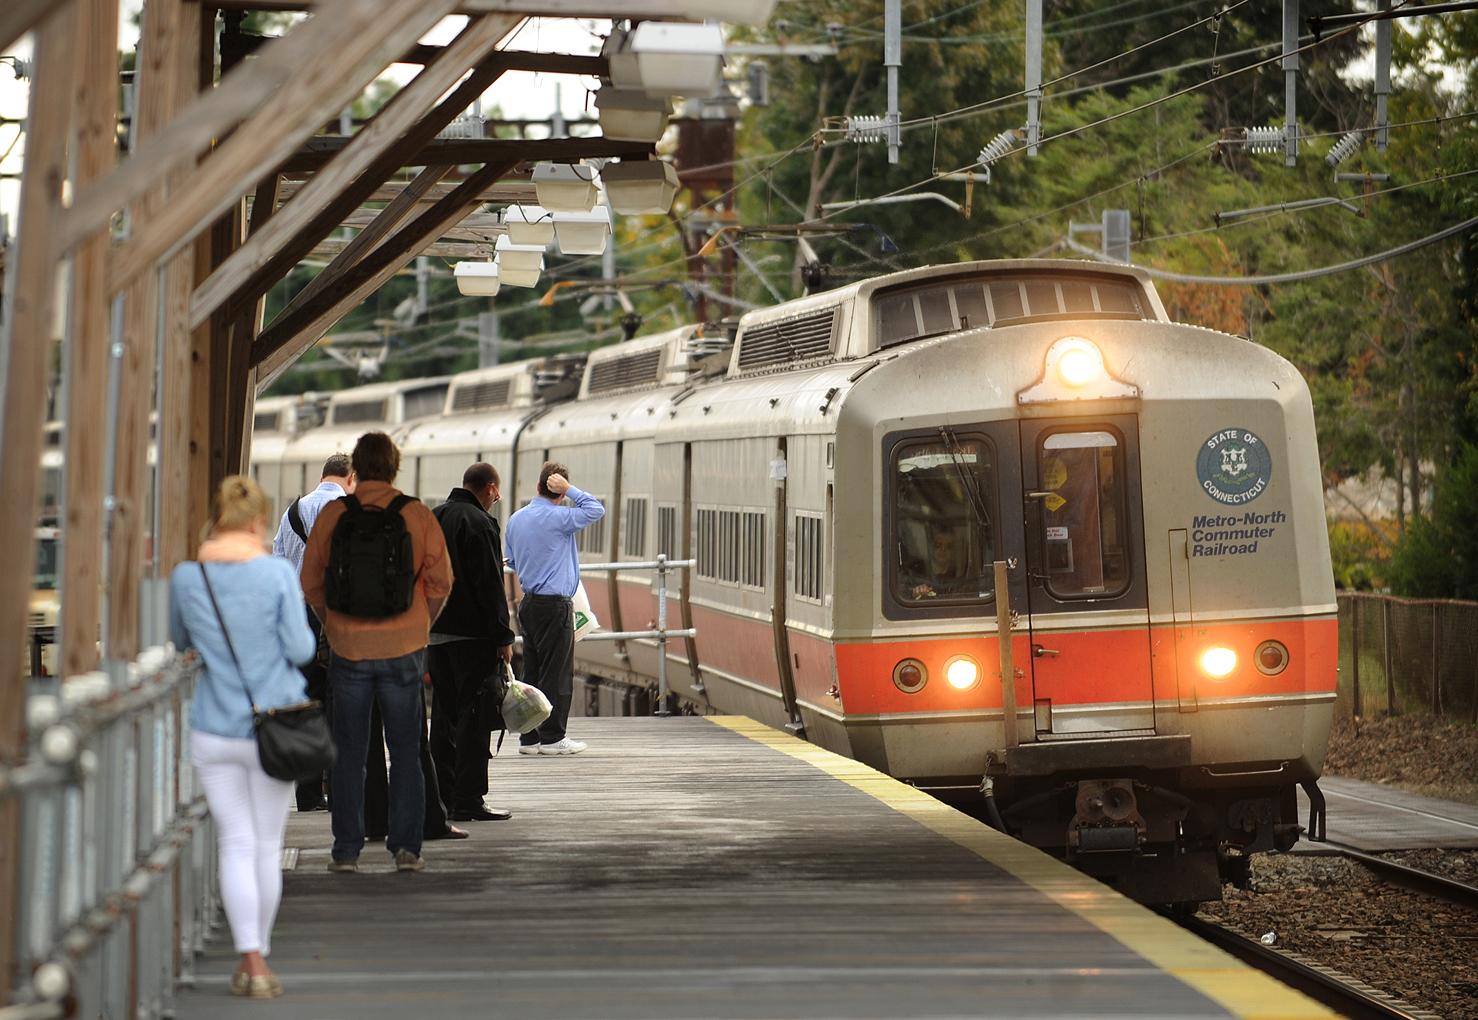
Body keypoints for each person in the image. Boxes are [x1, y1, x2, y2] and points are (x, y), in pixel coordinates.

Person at [171, 476, 314, 1000]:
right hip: (274, 725)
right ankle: (259, 964)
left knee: (233, 842)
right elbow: (300, 649)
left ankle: (249, 958)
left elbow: (181, 641)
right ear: (258, 523)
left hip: (214, 726)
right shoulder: (276, 573)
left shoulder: (189, 578)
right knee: (264, 845)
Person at [301, 432, 452, 873]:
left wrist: (335, 625)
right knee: (405, 750)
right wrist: (421, 624)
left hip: (349, 649)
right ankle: (406, 849)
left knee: (348, 753)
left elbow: (310, 583)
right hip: (404, 648)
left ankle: (346, 852)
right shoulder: (416, 513)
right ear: (394, 465)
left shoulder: (333, 514)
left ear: (357, 469)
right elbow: (441, 582)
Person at [430, 463, 516, 819]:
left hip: (434, 635)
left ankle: (443, 796)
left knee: (444, 716)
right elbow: (490, 586)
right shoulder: (480, 523)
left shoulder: (434, 517)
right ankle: (469, 800)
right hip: (473, 637)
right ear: (492, 489)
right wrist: (503, 636)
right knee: (475, 716)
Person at [270, 453, 354, 812]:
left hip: (300, 616)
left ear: (322, 477)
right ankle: (339, 791)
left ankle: (307, 795)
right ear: (350, 479)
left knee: (307, 702)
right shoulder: (350, 510)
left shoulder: (291, 515)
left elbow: (278, 567)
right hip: (338, 617)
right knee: (342, 704)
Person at [504, 462, 604, 755]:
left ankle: (530, 737)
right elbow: (596, 510)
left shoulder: (516, 519)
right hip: (555, 605)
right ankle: (553, 738)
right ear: (559, 492)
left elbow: (510, 560)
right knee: (558, 673)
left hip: (529, 603)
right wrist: (571, 490)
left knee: (532, 671)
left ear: (537, 487)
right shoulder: (561, 516)